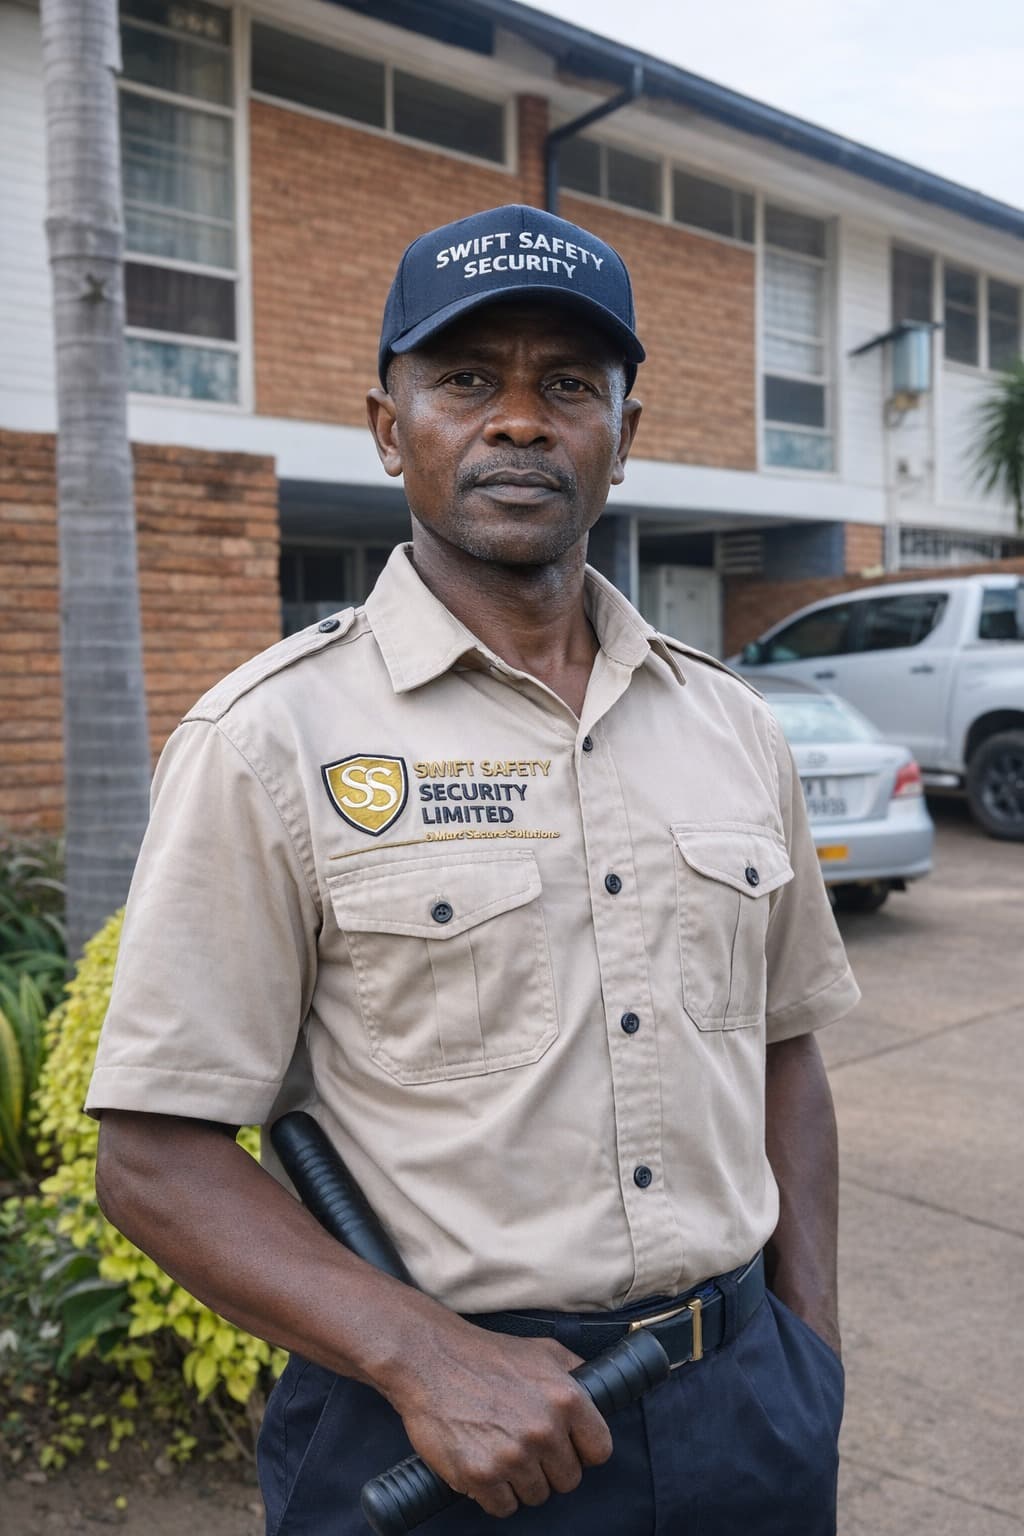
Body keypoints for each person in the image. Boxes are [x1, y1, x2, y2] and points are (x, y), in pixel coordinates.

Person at [88, 203, 860, 1535]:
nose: (519, 421)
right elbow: (156, 1157)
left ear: (626, 426)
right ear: (390, 429)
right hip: (435, 1445)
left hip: (747, 1423)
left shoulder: (734, 728)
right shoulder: (272, 737)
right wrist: (422, 1356)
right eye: (464, 381)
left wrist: (809, 1348)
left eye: (568, 384)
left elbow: (786, 1049)